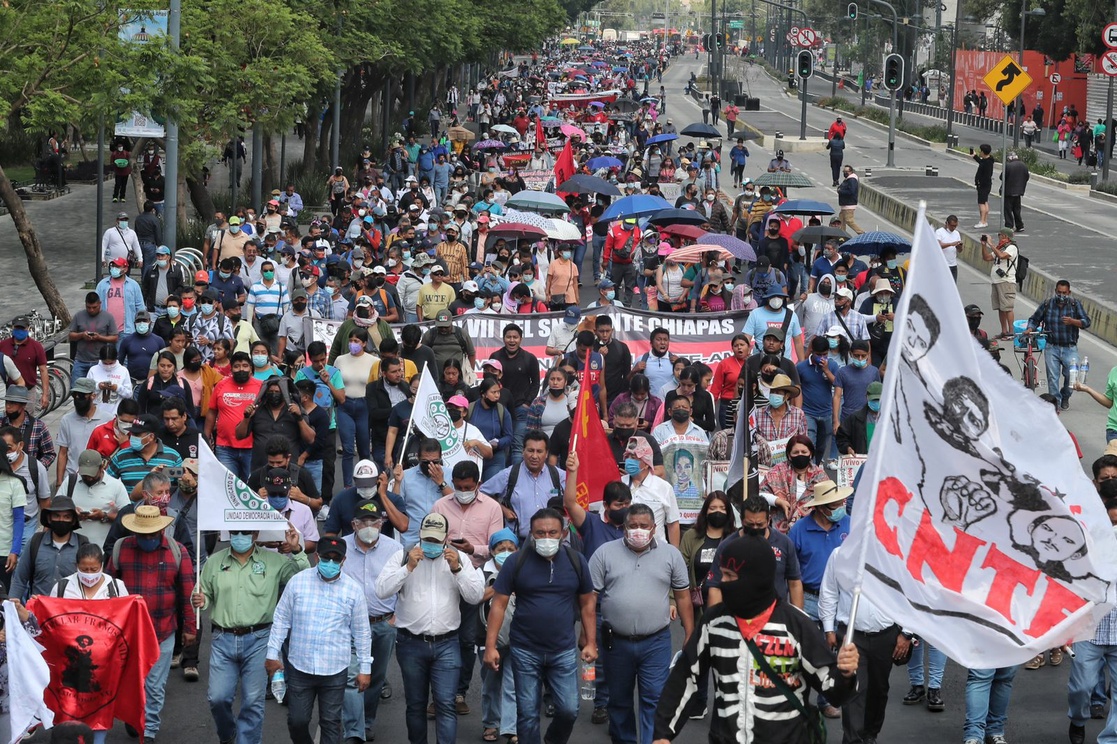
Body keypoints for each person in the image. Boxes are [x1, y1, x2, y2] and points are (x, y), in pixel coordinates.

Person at [652, 534, 860, 743]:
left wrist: (846, 674)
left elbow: (834, 692)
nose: (722, 583)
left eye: (730, 576)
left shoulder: (797, 626)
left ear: (754, 579)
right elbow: (685, 678)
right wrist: (663, 734)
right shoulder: (714, 622)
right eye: (722, 574)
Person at [484, 507, 597, 744]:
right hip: (525, 650)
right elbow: (499, 605)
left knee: (569, 710)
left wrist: (590, 642)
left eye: (552, 532)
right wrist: (491, 646)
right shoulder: (516, 561)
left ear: (563, 533)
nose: (547, 538)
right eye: (540, 533)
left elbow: (588, 603)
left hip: (563, 650)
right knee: (527, 715)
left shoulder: (576, 561)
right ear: (531, 535)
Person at [190, 521, 307, 744]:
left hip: (259, 640)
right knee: (217, 698)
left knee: (253, 701)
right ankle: (228, 735)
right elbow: (202, 594)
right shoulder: (214, 562)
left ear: (255, 534)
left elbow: (303, 577)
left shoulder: (273, 561)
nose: (240, 535)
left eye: (245, 532)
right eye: (235, 532)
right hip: (223, 639)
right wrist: (201, 600)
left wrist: (297, 549)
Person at [375, 513, 484, 744]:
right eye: (427, 540)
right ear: (420, 535)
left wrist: (457, 570)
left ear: (446, 538)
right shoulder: (403, 555)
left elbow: (475, 596)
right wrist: (407, 568)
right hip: (410, 643)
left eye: (436, 540)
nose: (431, 544)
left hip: (447, 644)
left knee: (446, 704)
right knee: (416, 705)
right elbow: (381, 590)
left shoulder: (459, 558)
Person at [591, 502, 693, 744]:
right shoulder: (604, 553)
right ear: (624, 527)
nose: (638, 530)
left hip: (655, 642)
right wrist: (588, 636)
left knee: (654, 699)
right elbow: (589, 598)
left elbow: (683, 597)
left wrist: (690, 633)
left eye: (644, 526)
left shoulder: (671, 555)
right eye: (633, 525)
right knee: (619, 701)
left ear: (654, 528)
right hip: (616, 642)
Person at [266, 537, 372, 744]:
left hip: (335, 669)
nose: (330, 563)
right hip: (300, 666)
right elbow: (281, 619)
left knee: (331, 723)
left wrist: (365, 669)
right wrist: (272, 655)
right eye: (326, 558)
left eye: (336, 559)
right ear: (316, 557)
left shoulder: (353, 590)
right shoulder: (298, 582)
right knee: (297, 721)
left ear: (343, 560)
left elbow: (362, 633)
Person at [107, 504, 195, 744]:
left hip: (162, 630)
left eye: (151, 534)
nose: (147, 539)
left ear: (161, 531)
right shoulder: (121, 549)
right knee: (130, 682)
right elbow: (108, 590)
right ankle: (134, 715)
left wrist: (190, 628)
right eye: (142, 535)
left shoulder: (177, 551)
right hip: (129, 632)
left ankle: (149, 731)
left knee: (155, 685)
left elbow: (187, 592)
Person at [819, 544, 911, 744]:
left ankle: (870, 735)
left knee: (879, 690)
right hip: (852, 636)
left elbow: (908, 593)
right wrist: (828, 628)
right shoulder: (840, 554)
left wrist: (906, 633)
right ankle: (853, 739)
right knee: (853, 688)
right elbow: (829, 591)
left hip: (885, 635)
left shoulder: (894, 556)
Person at [788, 479, 853, 719]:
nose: (840, 509)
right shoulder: (799, 530)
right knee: (805, 652)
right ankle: (800, 699)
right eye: (835, 505)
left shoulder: (849, 524)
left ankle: (827, 700)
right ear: (820, 507)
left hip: (840, 598)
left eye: (840, 503)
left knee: (833, 651)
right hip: (808, 597)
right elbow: (791, 569)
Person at [338, 500, 401, 744]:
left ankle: (367, 721)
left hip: (383, 623)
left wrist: (396, 617)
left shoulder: (395, 549)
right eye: (363, 522)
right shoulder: (341, 547)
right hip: (350, 625)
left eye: (373, 522)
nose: (368, 526)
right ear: (354, 524)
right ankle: (354, 730)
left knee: (375, 677)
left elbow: (405, 584)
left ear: (381, 523)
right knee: (352, 676)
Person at [1025, 280, 1090, 409]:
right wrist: (1030, 328)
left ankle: (1065, 395)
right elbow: (1034, 319)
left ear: (1069, 292)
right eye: (1059, 292)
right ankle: (1056, 403)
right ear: (1055, 291)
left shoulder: (1074, 304)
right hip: (1051, 346)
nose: (1061, 295)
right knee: (1052, 377)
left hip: (1070, 348)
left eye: (1064, 293)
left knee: (1071, 376)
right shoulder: (1047, 304)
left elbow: (1086, 322)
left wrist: (1073, 321)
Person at [0, 316, 48, 415]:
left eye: (22, 328)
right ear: (12, 328)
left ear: (28, 328)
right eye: (17, 328)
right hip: (6, 392)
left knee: (26, 418)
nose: (20, 331)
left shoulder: (36, 346)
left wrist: (45, 394)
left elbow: (43, 370)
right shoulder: (3, 345)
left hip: (27, 391)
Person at [980, 228, 1019, 340]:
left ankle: (1011, 332)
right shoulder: (1000, 248)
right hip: (996, 281)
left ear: (1005, 236)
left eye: (1000, 235)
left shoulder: (1012, 247)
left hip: (1006, 281)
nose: (999, 237)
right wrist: (984, 246)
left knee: (1008, 307)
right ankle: (1004, 331)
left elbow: (1002, 256)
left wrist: (990, 244)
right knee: (1000, 308)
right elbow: (987, 258)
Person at [837, 380, 885, 456]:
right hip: (862, 460)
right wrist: (848, 448)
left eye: (878, 400)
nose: (876, 402)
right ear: (867, 397)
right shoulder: (855, 418)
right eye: (873, 400)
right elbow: (841, 437)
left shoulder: (892, 421)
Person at [1002, 150, 1029, 232]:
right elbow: (1027, 177)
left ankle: (1009, 225)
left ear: (1009, 158)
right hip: (1019, 192)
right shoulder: (1023, 165)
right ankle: (1020, 225)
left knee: (1008, 210)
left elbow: (1002, 177)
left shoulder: (1008, 166)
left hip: (1009, 191)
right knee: (1017, 210)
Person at [972, 144, 994, 228]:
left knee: (981, 203)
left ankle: (982, 221)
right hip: (987, 185)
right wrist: (975, 156)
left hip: (983, 185)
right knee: (985, 202)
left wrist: (979, 183)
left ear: (983, 152)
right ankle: (985, 221)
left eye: (980, 151)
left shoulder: (986, 163)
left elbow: (983, 168)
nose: (980, 152)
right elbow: (981, 162)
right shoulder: (989, 160)